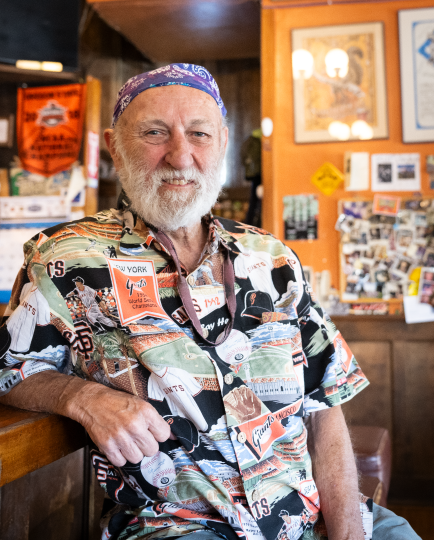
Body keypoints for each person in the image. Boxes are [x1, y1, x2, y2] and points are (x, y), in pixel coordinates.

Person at [0, 64, 420, 540]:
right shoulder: (67, 256)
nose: (180, 155)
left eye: (198, 133)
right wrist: (81, 396)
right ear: (114, 145)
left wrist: (348, 533)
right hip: (181, 527)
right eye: (155, 132)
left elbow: (324, 405)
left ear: (221, 142)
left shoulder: (274, 258)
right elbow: (10, 369)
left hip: (312, 517)